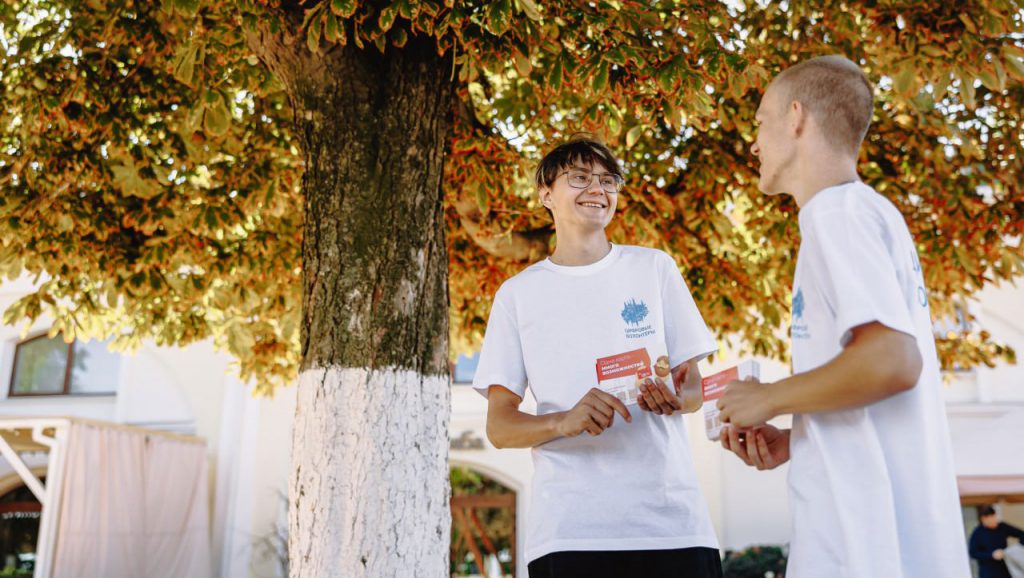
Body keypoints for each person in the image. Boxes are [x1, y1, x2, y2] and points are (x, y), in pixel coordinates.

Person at [714, 55, 971, 578]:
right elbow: (871, 375)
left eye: (760, 123)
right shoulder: (868, 213)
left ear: (796, 117)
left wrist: (766, 395)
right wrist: (801, 436)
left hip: (864, 548)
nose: (754, 144)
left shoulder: (837, 215)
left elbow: (892, 362)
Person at [472, 135, 722, 578]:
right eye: (580, 177)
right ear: (546, 194)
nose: (598, 189)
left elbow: (693, 385)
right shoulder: (517, 296)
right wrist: (562, 421)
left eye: (609, 180)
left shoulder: (654, 269)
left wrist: (677, 397)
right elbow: (500, 426)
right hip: (571, 534)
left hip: (673, 526)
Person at [970, 505, 1024, 578]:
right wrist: (992, 555)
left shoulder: (1002, 527)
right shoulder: (977, 533)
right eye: (991, 520)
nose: (994, 522)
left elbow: (1021, 534)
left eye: (995, 518)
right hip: (988, 572)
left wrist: (1016, 549)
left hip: (1005, 569)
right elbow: (973, 553)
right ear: (983, 519)